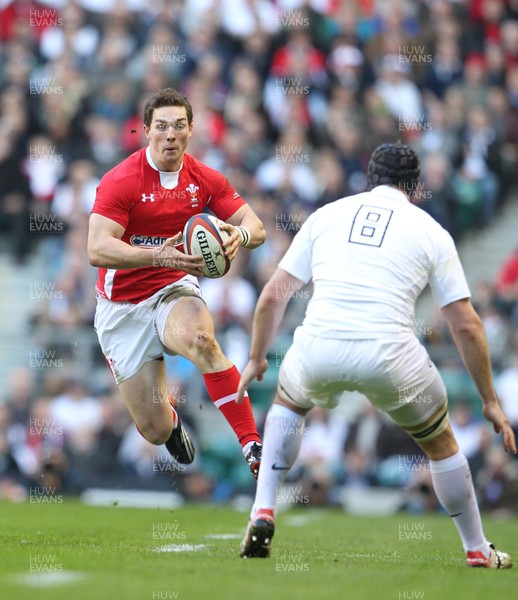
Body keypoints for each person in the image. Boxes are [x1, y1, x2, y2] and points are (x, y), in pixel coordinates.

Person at [237, 141, 516, 566]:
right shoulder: (431, 230)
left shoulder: (325, 215)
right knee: (441, 443)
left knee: (288, 405)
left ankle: (263, 508)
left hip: (319, 346)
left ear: (369, 177)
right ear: (415, 186)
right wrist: (490, 401)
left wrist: (257, 357)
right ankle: (477, 548)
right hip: (390, 356)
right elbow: (466, 323)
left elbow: (274, 296)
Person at [87, 88, 265, 479]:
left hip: (173, 287)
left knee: (203, 342)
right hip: (122, 308)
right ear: (146, 130)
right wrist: (157, 255)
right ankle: (171, 422)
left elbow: (256, 225)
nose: (171, 134)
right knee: (153, 430)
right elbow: (97, 249)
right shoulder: (122, 181)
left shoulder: (204, 178)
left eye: (179, 126)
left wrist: (242, 238)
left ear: (191, 130)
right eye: (162, 126)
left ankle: (253, 446)